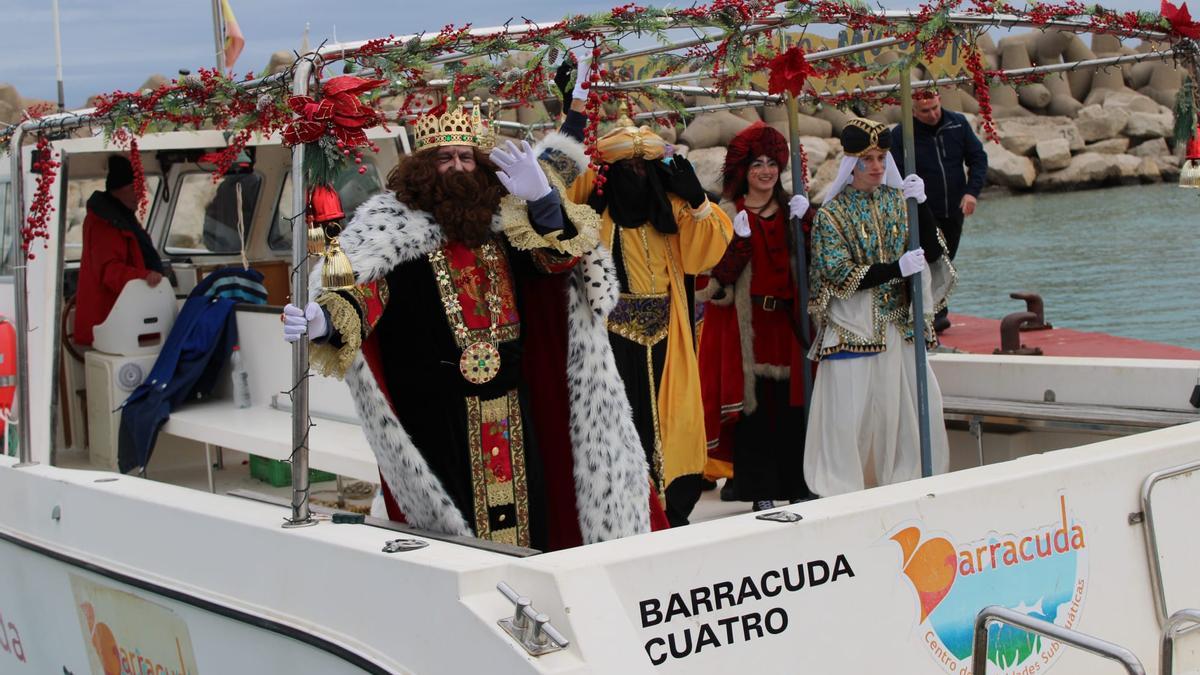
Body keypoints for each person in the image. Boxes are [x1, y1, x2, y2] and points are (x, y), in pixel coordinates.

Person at [283, 101, 656, 550]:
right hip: (437, 410)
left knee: (533, 511)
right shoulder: (390, 227)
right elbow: (364, 291)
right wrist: (324, 320)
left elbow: (557, 262)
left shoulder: (504, 222)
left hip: (516, 400)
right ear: (423, 167)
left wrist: (543, 200)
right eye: (445, 158)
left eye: (465, 157)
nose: (457, 167)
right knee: (453, 530)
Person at [555, 60, 733, 527]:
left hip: (668, 331)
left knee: (674, 425)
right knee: (618, 425)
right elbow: (556, 181)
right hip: (608, 334)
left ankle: (671, 509)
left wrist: (697, 199)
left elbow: (706, 254)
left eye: (642, 165)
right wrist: (570, 110)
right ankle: (625, 511)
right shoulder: (593, 203)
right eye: (625, 167)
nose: (636, 173)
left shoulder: (671, 207)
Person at [805, 118, 955, 497]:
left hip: (899, 328)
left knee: (908, 414)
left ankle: (908, 482)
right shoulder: (831, 215)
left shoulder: (898, 201)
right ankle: (848, 490)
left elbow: (935, 253)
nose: (876, 166)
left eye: (882, 157)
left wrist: (921, 205)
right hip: (854, 329)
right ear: (850, 164)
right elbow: (836, 272)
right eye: (867, 159)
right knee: (854, 417)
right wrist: (894, 269)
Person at [697, 122, 816, 512]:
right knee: (755, 410)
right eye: (756, 164)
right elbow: (711, 286)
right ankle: (759, 487)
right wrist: (739, 246)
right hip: (744, 328)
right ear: (743, 170)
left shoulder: (794, 210)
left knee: (792, 407)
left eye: (771, 163)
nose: (765, 171)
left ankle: (798, 482)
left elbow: (817, 267)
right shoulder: (726, 215)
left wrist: (809, 222)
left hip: (787, 324)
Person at [888, 89, 986, 332]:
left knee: (947, 258)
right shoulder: (902, 134)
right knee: (930, 259)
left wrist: (972, 191)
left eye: (935, 108)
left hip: (954, 207)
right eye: (924, 111)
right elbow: (895, 173)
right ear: (913, 111)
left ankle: (936, 307)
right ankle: (935, 313)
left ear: (940, 101)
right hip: (922, 210)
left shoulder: (958, 124)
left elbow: (978, 159)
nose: (932, 114)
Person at [75, 154, 166, 347]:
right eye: (135, 189)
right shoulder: (104, 224)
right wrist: (145, 275)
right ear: (118, 190)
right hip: (111, 319)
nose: (140, 195)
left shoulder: (121, 218)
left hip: (127, 313)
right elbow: (110, 272)